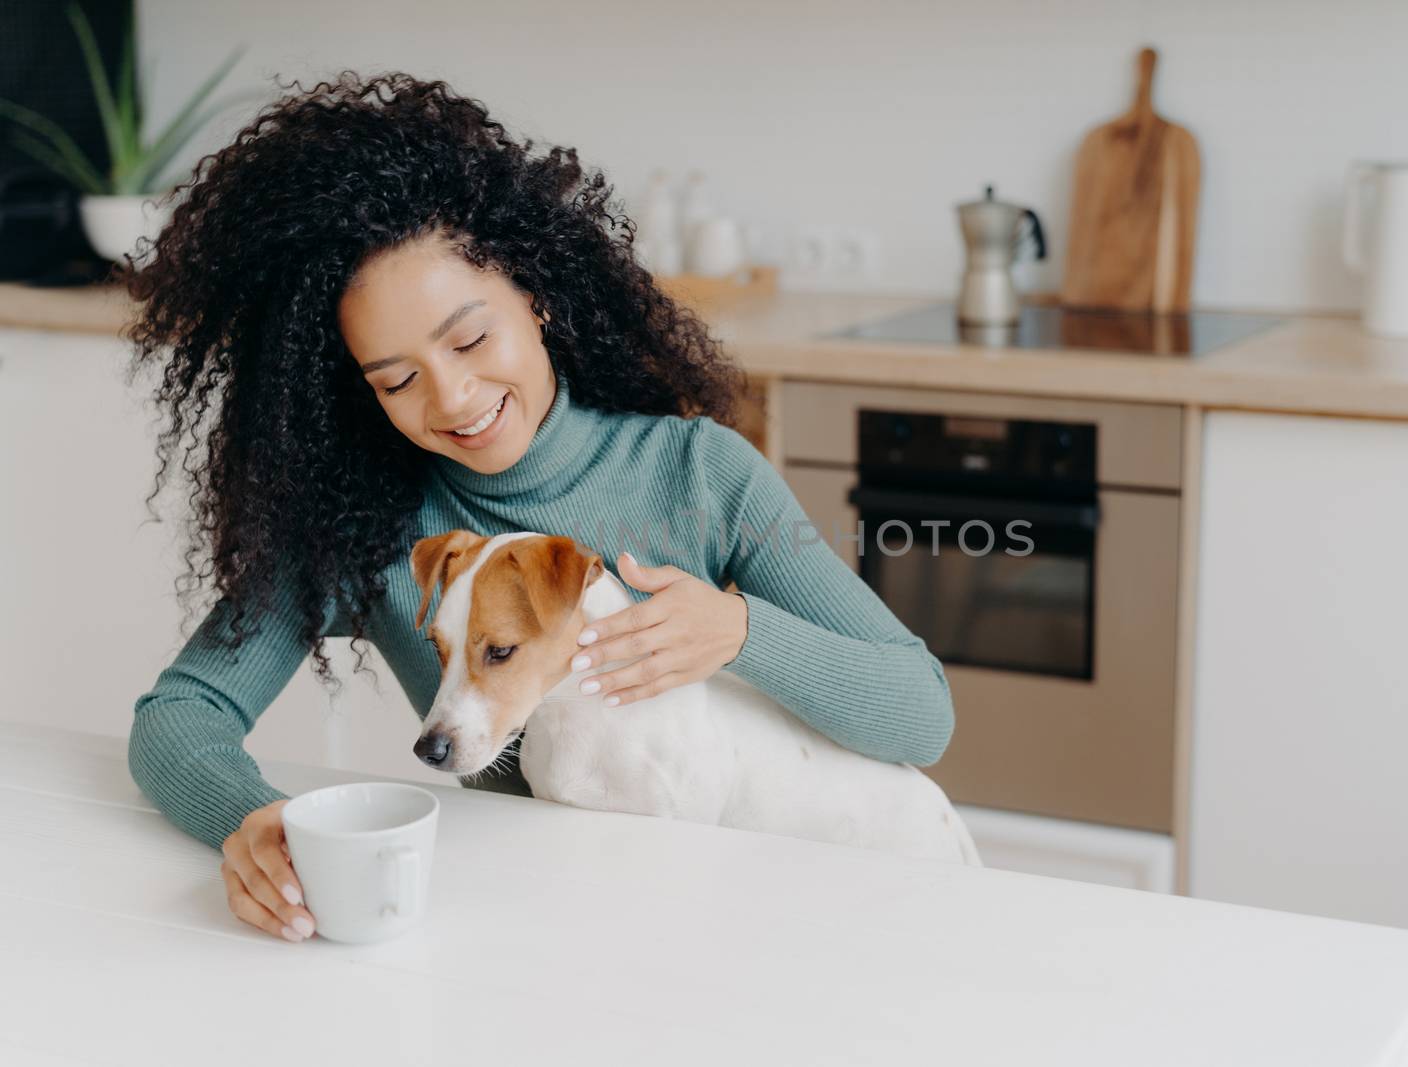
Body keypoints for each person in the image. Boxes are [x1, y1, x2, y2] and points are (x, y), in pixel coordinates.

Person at [122, 71, 953, 945]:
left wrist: (739, 631)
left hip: (776, 919)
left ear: (538, 293)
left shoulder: (698, 474)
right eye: (396, 379)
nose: (453, 397)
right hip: (554, 932)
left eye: (472, 338)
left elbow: (920, 714)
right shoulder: (361, 526)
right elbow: (180, 716)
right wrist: (254, 820)